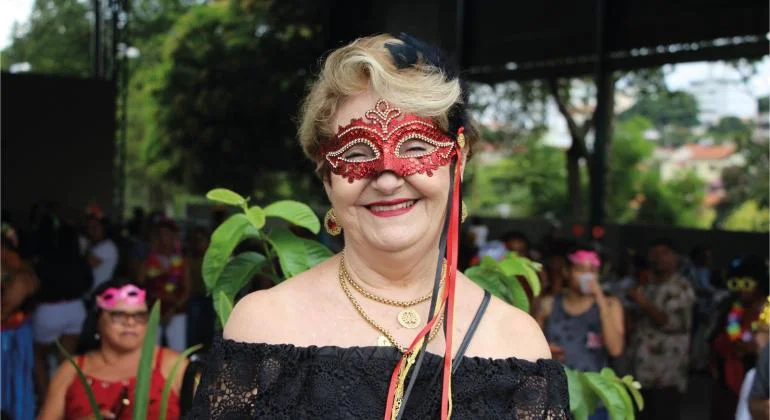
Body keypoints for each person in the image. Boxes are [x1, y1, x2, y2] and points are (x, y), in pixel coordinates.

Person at [189, 33, 569, 418]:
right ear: (327, 177)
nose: (387, 179)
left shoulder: (517, 344)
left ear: (459, 160)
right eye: (357, 152)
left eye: (415, 146)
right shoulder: (264, 326)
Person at [38, 280, 187, 420]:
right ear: (97, 321)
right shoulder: (72, 370)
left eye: (139, 316)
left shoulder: (173, 365)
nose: (130, 322)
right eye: (118, 315)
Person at [538, 249, 624, 420]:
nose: (587, 276)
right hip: (554, 397)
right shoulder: (549, 304)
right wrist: (546, 350)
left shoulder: (610, 305)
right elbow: (529, 347)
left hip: (594, 398)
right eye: (580, 270)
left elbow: (615, 349)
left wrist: (599, 299)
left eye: (592, 271)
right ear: (567, 273)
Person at [628, 238, 695, 420]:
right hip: (641, 371)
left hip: (666, 375)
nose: (658, 258)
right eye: (655, 253)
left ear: (676, 258)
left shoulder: (681, 287)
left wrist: (642, 301)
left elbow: (669, 322)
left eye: (664, 253)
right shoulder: (648, 285)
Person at [32, 217, 94, 401]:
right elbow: (88, 283)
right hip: (75, 309)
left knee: (39, 358)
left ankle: (46, 401)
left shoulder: (43, 261)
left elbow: (35, 286)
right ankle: (65, 400)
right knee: (66, 360)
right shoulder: (80, 262)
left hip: (49, 311)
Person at [708, 255, 769, 419]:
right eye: (737, 283)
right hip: (726, 380)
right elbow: (716, 339)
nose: (742, 289)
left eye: (747, 283)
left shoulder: (767, 309)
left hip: (756, 377)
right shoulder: (729, 308)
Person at [1, 222, 38, 420]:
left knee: (10, 384)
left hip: (9, 340)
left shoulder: (20, 277)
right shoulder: (9, 272)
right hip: (8, 336)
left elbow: (3, 312)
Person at [137, 219, 190, 352]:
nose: (163, 238)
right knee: (150, 352)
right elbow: (140, 285)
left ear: (174, 237)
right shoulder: (148, 260)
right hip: (152, 310)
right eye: (159, 235)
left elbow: (187, 289)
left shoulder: (182, 261)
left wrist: (173, 309)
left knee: (177, 352)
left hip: (176, 311)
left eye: (166, 234)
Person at [85, 207, 120, 294]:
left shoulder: (107, 246)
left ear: (104, 228)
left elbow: (88, 263)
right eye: (89, 227)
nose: (92, 230)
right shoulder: (94, 245)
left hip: (99, 294)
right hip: (91, 293)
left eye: (95, 227)